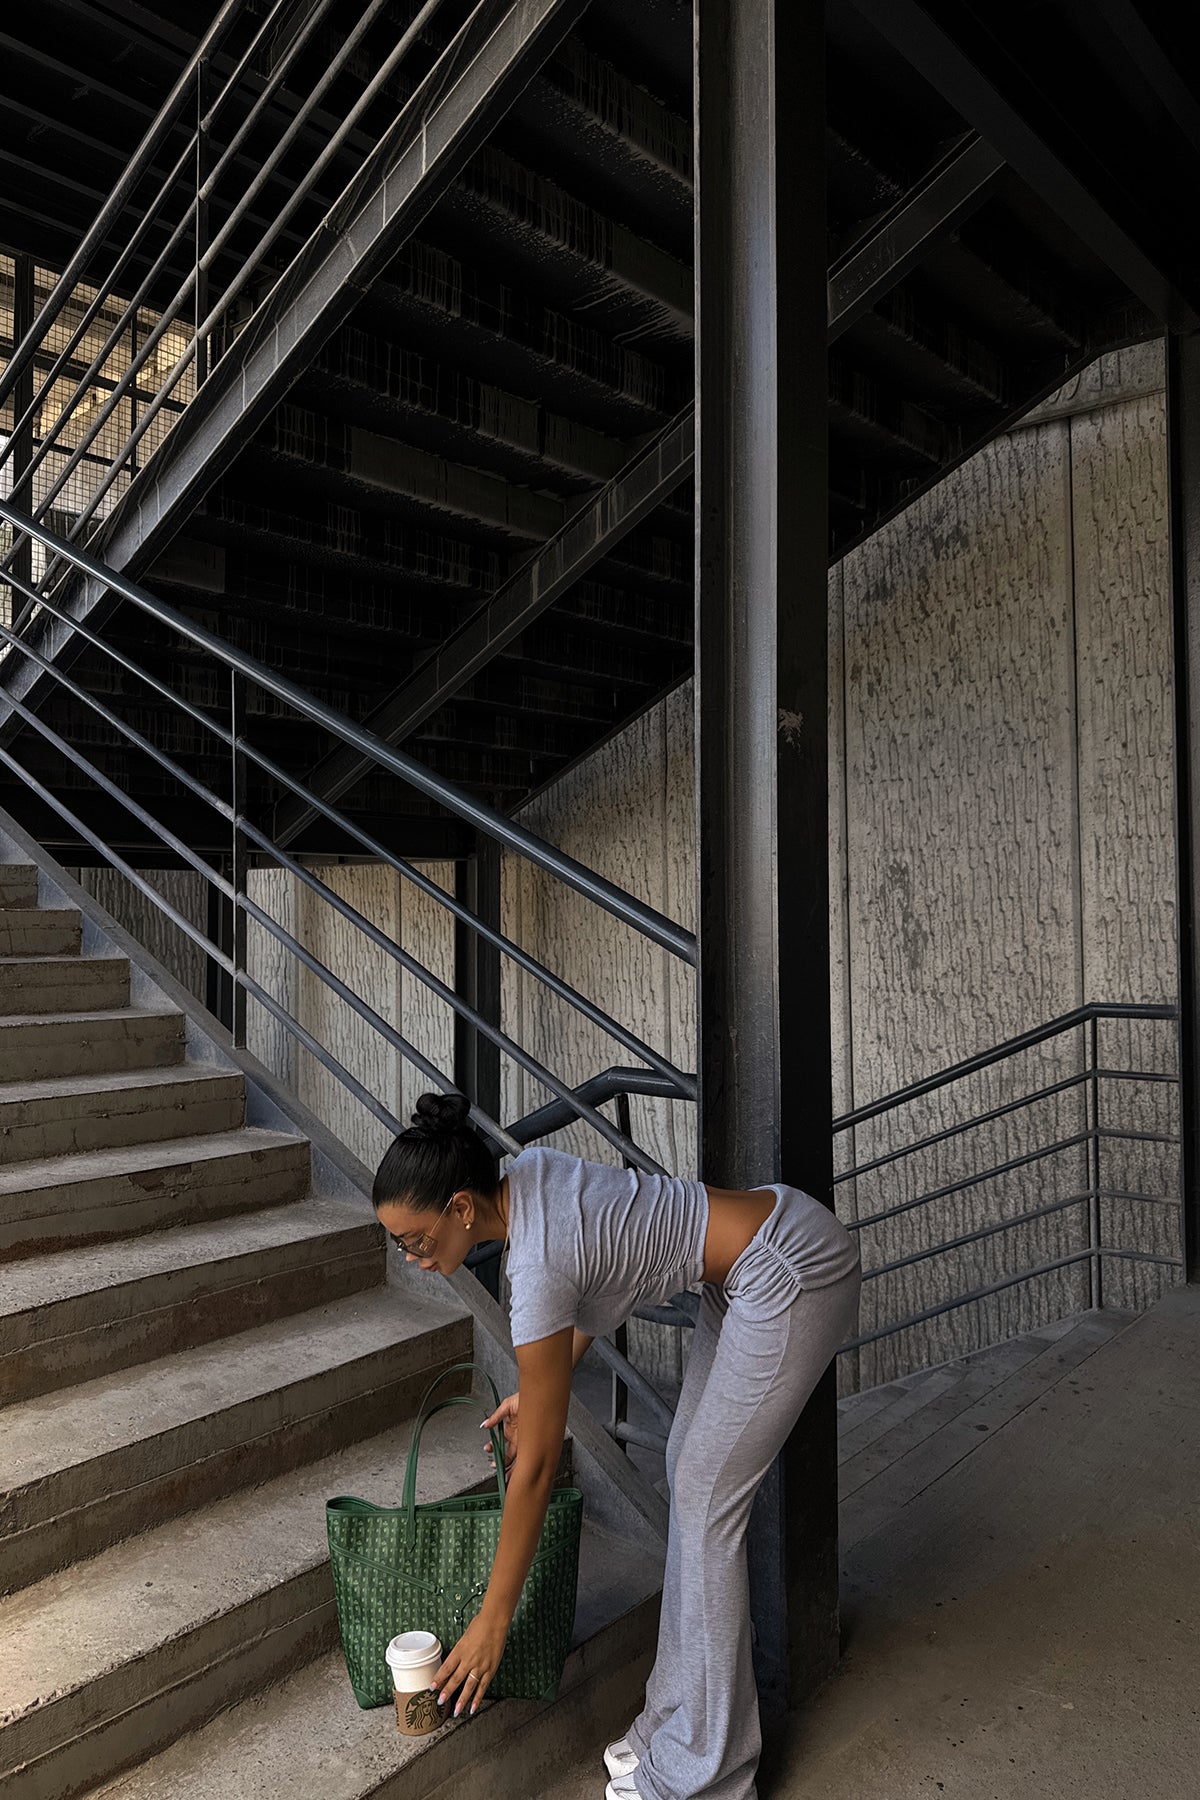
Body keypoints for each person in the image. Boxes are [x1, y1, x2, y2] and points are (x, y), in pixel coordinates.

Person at [372, 1090, 862, 1800]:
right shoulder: (531, 1175)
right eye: (401, 1246)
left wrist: (492, 1620)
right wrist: (539, 1389)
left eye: (416, 1240)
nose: (415, 1259)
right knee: (688, 1477)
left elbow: (537, 1467)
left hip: (791, 1274)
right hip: (751, 1263)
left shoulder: (534, 1269)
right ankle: (674, 1719)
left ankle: (711, 1774)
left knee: (704, 1501)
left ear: (460, 1209)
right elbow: (602, 1270)